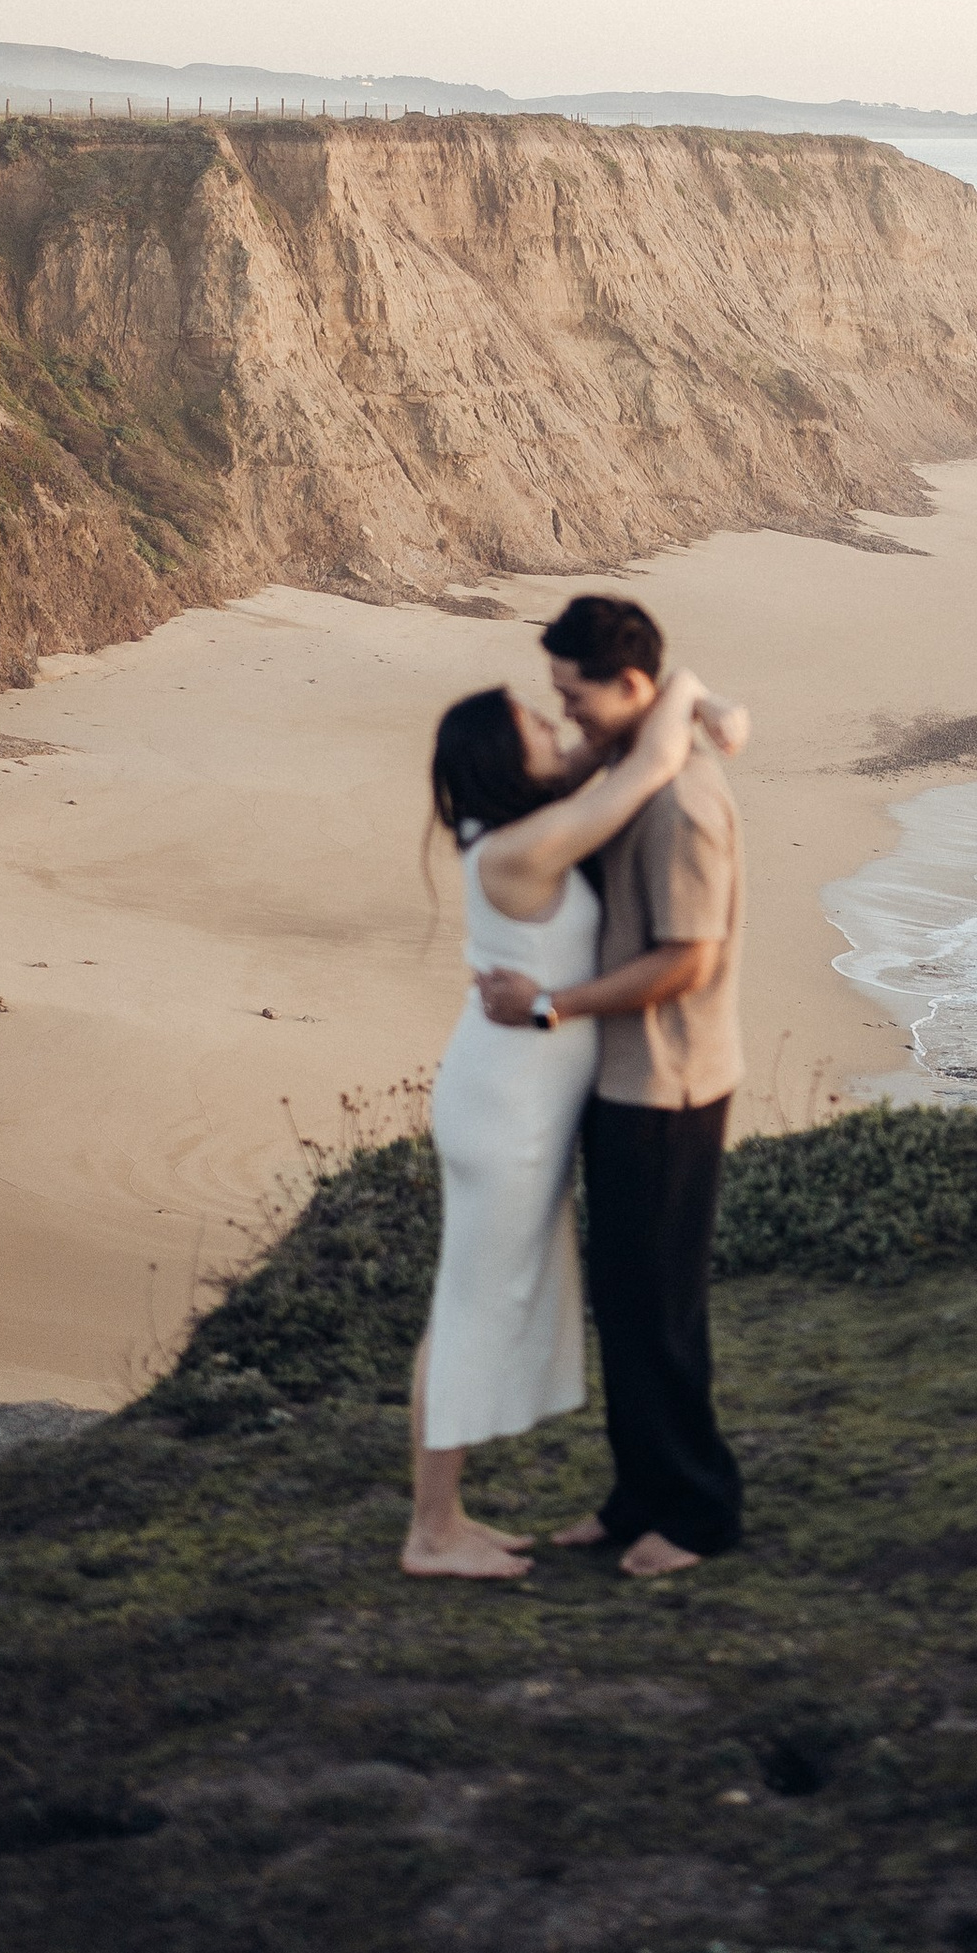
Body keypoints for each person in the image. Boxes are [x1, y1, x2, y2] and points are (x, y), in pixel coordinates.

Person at [404, 661, 742, 1579]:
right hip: (505, 1110)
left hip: (522, 1102)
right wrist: (685, 696)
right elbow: (640, 766)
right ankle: (432, 1534)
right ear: (502, 758)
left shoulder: (518, 825)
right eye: (534, 724)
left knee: (471, 1302)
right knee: (468, 1307)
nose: (558, 730)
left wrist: (696, 695)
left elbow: (603, 749)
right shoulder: (519, 850)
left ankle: (450, 1518)